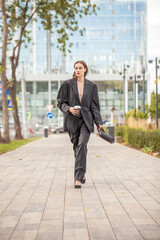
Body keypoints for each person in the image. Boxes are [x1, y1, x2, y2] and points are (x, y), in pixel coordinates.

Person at [57, 60, 103, 188]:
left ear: (85, 69)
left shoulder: (92, 86)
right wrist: (69, 109)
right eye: (76, 68)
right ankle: (81, 173)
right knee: (78, 148)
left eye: (80, 68)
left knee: (82, 144)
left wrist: (99, 123)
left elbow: (94, 107)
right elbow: (60, 102)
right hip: (72, 121)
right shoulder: (67, 84)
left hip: (87, 121)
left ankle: (77, 178)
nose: (78, 70)